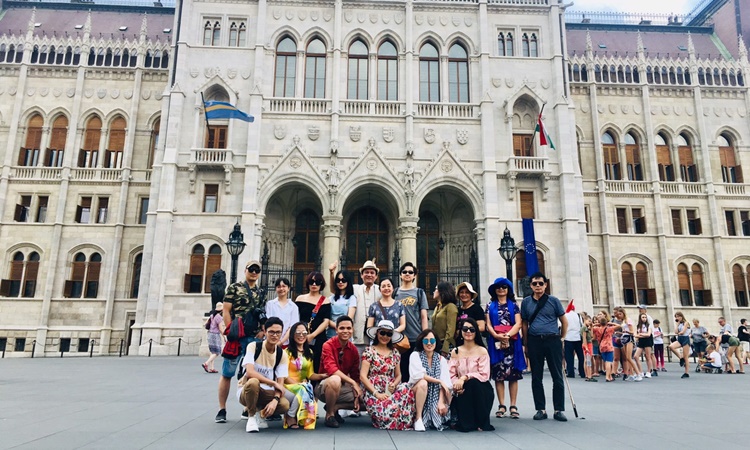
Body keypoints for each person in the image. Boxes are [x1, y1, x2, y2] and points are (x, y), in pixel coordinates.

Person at [216, 260, 267, 424]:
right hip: (237, 337)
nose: (254, 272)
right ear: (245, 270)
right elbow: (226, 310)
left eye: (257, 270)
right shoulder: (234, 287)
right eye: (251, 269)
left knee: (250, 374)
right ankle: (222, 409)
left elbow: (262, 313)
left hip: (254, 338)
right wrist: (230, 331)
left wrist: (262, 331)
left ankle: (247, 408)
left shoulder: (261, 292)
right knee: (227, 373)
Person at [520, 272, 568, 422]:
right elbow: (524, 323)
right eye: (535, 284)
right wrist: (525, 343)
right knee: (536, 376)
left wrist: (561, 337)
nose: (538, 286)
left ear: (546, 285)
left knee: (557, 375)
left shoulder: (554, 301)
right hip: (534, 341)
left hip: (552, 339)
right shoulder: (526, 302)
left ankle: (558, 409)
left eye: (541, 283)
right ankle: (540, 409)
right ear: (531, 286)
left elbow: (564, 321)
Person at [360, 319, 416, 430]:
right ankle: (392, 417)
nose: (385, 336)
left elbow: (398, 375)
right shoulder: (369, 351)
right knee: (384, 415)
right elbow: (363, 376)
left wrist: (394, 384)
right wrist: (376, 393)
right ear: (377, 333)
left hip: (390, 389)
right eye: (382, 333)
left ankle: (397, 417)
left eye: (389, 334)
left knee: (406, 387)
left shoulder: (395, 353)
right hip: (373, 390)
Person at [237, 317, 290, 433]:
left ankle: (260, 414)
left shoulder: (281, 354)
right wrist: (273, 383)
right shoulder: (254, 346)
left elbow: (280, 383)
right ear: (265, 331)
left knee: (284, 405)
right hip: (246, 389)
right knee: (253, 382)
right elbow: (250, 372)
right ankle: (251, 416)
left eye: (278, 332)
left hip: (266, 392)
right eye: (271, 332)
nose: (275, 335)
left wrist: (275, 400)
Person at [485, 277, 526, 418]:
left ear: (508, 289)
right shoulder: (489, 305)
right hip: (496, 341)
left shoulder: (514, 305)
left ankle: (513, 405)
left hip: (512, 342)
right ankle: (501, 405)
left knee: (513, 375)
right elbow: (488, 324)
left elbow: (518, 323)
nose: (501, 289)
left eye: (504, 287)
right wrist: (497, 335)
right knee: (499, 375)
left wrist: (507, 335)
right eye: (498, 287)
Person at [316, 315, 363, 428]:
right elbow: (332, 370)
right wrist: (353, 383)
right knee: (335, 380)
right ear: (336, 330)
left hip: (342, 387)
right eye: (342, 328)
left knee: (367, 399)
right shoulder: (327, 345)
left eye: (348, 328)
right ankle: (329, 415)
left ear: (352, 330)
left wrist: (356, 394)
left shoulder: (353, 350)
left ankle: (334, 407)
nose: (345, 331)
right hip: (324, 386)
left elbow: (355, 375)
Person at [449, 318, 495, 432]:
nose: (468, 332)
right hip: (461, 389)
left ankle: (481, 422)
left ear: (476, 332)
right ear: (461, 331)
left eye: (472, 329)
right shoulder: (455, 352)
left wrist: (465, 377)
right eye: (465, 329)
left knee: (473, 383)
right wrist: (456, 385)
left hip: (481, 388)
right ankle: (467, 422)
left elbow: (484, 375)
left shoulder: (482, 351)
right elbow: (451, 374)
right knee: (467, 387)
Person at [329, 259, 381, 354]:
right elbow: (335, 290)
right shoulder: (355, 288)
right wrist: (331, 273)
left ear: (376, 276)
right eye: (366, 272)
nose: (369, 275)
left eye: (372, 272)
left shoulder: (381, 289)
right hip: (358, 336)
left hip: (376, 335)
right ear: (361, 275)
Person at [283, 322, 328, 429]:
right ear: (292, 335)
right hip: (288, 386)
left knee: (307, 387)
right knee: (304, 389)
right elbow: (284, 376)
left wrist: (322, 376)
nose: (301, 335)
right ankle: (290, 416)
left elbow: (310, 374)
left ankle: (301, 417)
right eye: (298, 333)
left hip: (302, 386)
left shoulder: (309, 352)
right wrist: (299, 385)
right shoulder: (286, 353)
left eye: (304, 333)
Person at [409, 329, 453, 431]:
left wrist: (441, 402)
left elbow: (445, 383)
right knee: (423, 383)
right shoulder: (415, 355)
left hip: (435, 394)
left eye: (432, 341)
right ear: (421, 342)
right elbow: (418, 375)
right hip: (415, 392)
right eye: (426, 341)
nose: (429, 343)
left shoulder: (441, 359)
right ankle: (418, 418)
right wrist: (439, 381)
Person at [394, 262, 429, 383]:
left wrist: (425, 336)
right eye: (404, 272)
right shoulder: (395, 292)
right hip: (399, 339)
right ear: (400, 275)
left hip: (415, 337)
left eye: (410, 272)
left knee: (415, 372)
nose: (407, 274)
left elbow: (424, 316)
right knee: (401, 371)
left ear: (414, 275)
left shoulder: (419, 292)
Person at [295, 272, 331, 372]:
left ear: (321, 284)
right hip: (300, 336)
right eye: (311, 282)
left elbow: (326, 321)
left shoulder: (325, 300)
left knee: (316, 362)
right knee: (299, 363)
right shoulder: (300, 298)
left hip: (318, 337)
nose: (314, 284)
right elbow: (295, 318)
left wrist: (312, 335)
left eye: (317, 282)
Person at [265, 278, 299, 348]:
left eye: (284, 286)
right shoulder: (270, 304)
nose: (281, 289)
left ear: (288, 288)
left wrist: (281, 342)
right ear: (276, 289)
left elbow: (292, 327)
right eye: (279, 287)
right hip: (270, 341)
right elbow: (268, 323)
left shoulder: (293, 307)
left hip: (286, 342)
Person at [327, 270, 357, 339]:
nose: (340, 282)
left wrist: (341, 328)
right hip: (331, 334)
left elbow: (349, 318)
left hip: (345, 334)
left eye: (343, 280)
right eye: (338, 280)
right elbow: (326, 318)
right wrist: (336, 326)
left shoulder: (352, 298)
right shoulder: (331, 298)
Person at [431, 281, 458, 356]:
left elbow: (451, 329)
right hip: (436, 342)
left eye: (436, 289)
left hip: (445, 344)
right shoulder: (438, 306)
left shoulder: (451, 307)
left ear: (442, 291)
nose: (434, 291)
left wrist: (445, 347)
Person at [593, 316, 619, 382]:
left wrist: (596, 324)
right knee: (609, 362)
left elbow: (591, 326)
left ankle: (610, 376)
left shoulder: (597, 329)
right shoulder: (609, 329)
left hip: (602, 346)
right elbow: (619, 326)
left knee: (605, 361)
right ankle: (607, 376)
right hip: (609, 346)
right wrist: (611, 323)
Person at [563, 300, 585, 379]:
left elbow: (561, 325)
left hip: (568, 337)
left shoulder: (565, 315)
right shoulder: (578, 315)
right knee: (580, 356)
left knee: (569, 356)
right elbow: (581, 325)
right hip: (577, 337)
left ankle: (570, 372)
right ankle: (582, 372)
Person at [203, 301, 225, 373]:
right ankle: (206, 363)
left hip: (210, 334)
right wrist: (224, 337)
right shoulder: (219, 317)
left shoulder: (212, 316)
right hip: (215, 335)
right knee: (217, 352)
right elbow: (221, 329)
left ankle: (212, 367)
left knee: (212, 352)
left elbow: (206, 324)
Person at [669, 311, 691, 378]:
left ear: (681, 316)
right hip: (680, 339)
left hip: (685, 338)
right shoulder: (679, 324)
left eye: (678, 316)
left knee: (685, 356)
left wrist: (679, 333)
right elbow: (676, 332)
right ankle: (680, 358)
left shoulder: (686, 323)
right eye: (676, 317)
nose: (677, 318)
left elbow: (683, 332)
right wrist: (677, 324)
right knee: (671, 346)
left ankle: (686, 372)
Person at [634, 312, 654, 379]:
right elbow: (635, 335)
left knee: (648, 356)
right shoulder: (638, 326)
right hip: (641, 341)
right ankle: (640, 371)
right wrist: (640, 335)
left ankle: (649, 372)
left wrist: (640, 334)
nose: (644, 318)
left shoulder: (649, 325)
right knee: (636, 356)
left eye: (645, 317)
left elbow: (648, 334)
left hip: (647, 341)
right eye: (643, 317)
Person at [581, 316, 596, 382]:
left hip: (588, 344)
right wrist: (586, 347)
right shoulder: (584, 328)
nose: (590, 323)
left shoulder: (587, 328)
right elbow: (584, 338)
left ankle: (587, 375)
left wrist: (591, 327)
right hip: (587, 344)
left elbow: (592, 336)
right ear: (585, 320)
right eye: (589, 321)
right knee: (588, 360)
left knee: (587, 360)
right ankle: (589, 375)